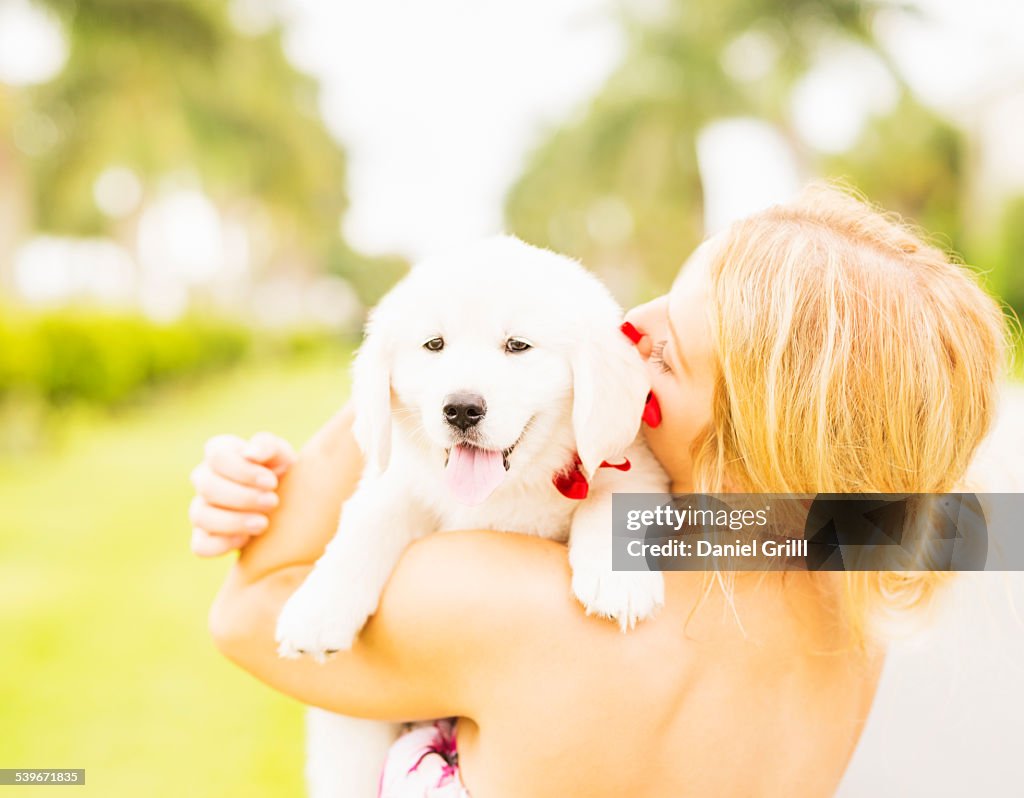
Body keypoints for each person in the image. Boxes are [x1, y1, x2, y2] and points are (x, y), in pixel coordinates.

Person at [190, 185, 1007, 797]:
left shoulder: (502, 599)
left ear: (756, 436)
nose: (626, 332)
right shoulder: (864, 571)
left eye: (667, 353)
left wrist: (424, 346)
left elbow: (252, 611)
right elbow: (961, 523)